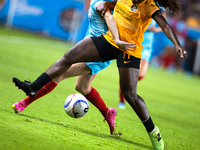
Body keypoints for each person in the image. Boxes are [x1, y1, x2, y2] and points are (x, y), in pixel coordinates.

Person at [12, 0, 187, 149]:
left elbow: (165, 25)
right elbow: (110, 6)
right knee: (68, 57)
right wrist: (104, 4)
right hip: (110, 41)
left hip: (129, 50)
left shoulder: (149, 6)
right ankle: (33, 87)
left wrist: (177, 45)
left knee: (130, 94)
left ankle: (153, 132)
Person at [11, 0, 134, 135]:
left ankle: (25, 102)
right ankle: (108, 112)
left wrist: (116, 39)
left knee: (60, 74)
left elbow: (111, 17)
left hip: (98, 52)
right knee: (82, 87)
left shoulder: (112, 4)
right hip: (89, 46)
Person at [118, 10, 166, 109]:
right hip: (136, 42)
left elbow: (164, 24)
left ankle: (124, 82)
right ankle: (122, 101)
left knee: (140, 75)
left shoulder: (159, 7)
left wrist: (155, 30)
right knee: (131, 74)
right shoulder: (139, 5)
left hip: (147, 44)